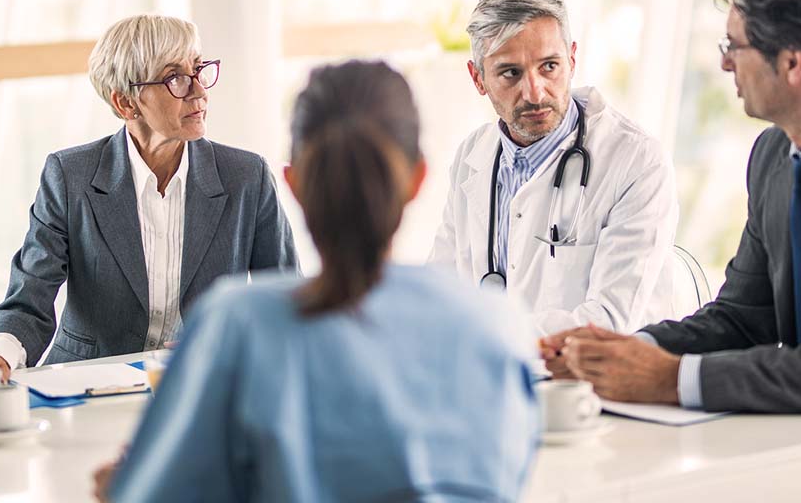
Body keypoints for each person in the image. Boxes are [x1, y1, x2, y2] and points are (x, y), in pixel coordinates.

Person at [93, 60, 539, 502]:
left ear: (294, 182)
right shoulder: (494, 322)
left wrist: (123, 488)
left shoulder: (236, 325)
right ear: (418, 178)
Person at [541, 0, 801, 413]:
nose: (725, 63)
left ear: (792, 62)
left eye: (735, 46)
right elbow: (745, 319)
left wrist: (671, 379)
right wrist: (620, 351)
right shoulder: (773, 156)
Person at [0, 14, 298, 378]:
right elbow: (29, 298)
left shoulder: (247, 176)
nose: (199, 92)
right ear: (126, 104)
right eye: (175, 78)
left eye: (198, 70)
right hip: (86, 384)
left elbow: (284, 302)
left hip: (203, 382)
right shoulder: (70, 176)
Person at [429, 0, 680, 335]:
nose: (534, 92)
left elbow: (609, 321)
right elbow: (440, 290)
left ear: (572, 59)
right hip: (493, 377)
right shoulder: (474, 156)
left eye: (549, 66)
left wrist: (486, 339)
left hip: (595, 385)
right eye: (510, 73)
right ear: (478, 77)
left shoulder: (637, 161)